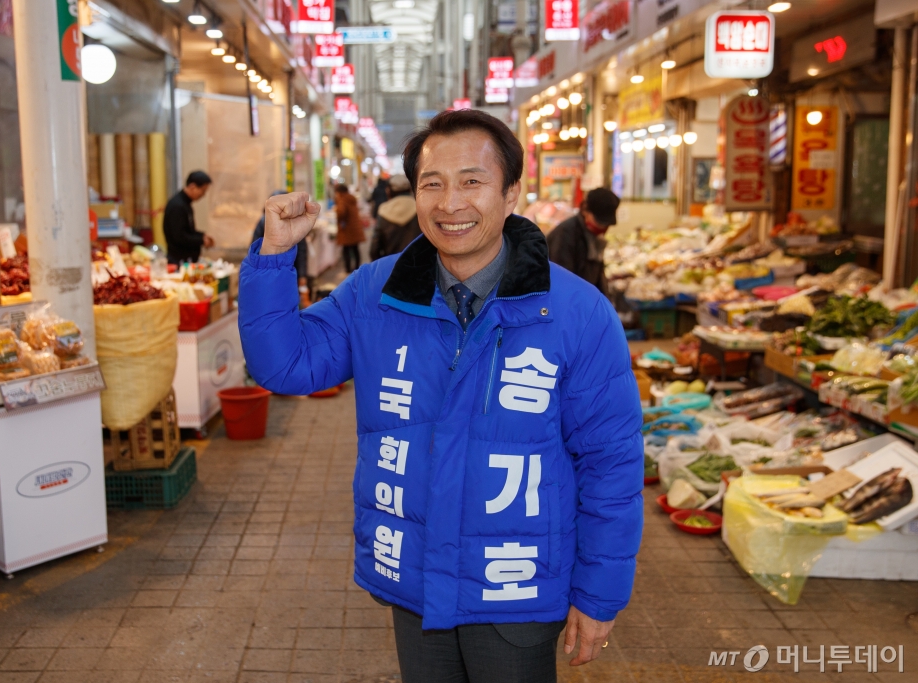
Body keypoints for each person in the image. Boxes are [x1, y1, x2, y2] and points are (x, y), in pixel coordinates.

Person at [239, 110, 643, 682]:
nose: (450, 203)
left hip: (516, 584)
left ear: (511, 194)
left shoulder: (577, 313)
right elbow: (285, 363)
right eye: (433, 184)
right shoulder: (376, 294)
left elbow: (612, 464)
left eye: (472, 182)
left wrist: (599, 595)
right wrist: (275, 256)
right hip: (417, 577)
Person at [545, 187, 621, 294]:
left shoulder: (592, 235)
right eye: (599, 222)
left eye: (606, 224)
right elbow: (562, 282)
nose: (602, 228)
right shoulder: (565, 234)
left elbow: (597, 277)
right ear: (585, 210)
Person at [252, 191, 310, 307]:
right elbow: (254, 251)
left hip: (290, 273)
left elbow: (302, 250)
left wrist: (302, 275)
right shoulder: (264, 223)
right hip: (268, 273)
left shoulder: (295, 224)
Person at [163, 170, 215, 265]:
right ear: (192, 187)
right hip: (179, 261)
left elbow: (187, 231)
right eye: (202, 191)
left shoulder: (185, 204)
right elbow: (179, 236)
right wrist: (201, 240)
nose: (203, 195)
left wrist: (202, 236)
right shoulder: (177, 206)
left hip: (186, 260)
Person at [369, 174, 422, 261]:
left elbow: (374, 248)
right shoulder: (420, 208)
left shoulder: (383, 210)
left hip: (392, 265)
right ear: (410, 189)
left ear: (389, 191)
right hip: (418, 264)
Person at [334, 184, 364, 273]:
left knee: (346, 250)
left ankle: (348, 269)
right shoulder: (351, 198)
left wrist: (338, 213)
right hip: (355, 227)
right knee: (355, 249)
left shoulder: (342, 200)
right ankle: (357, 267)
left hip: (347, 229)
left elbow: (341, 212)